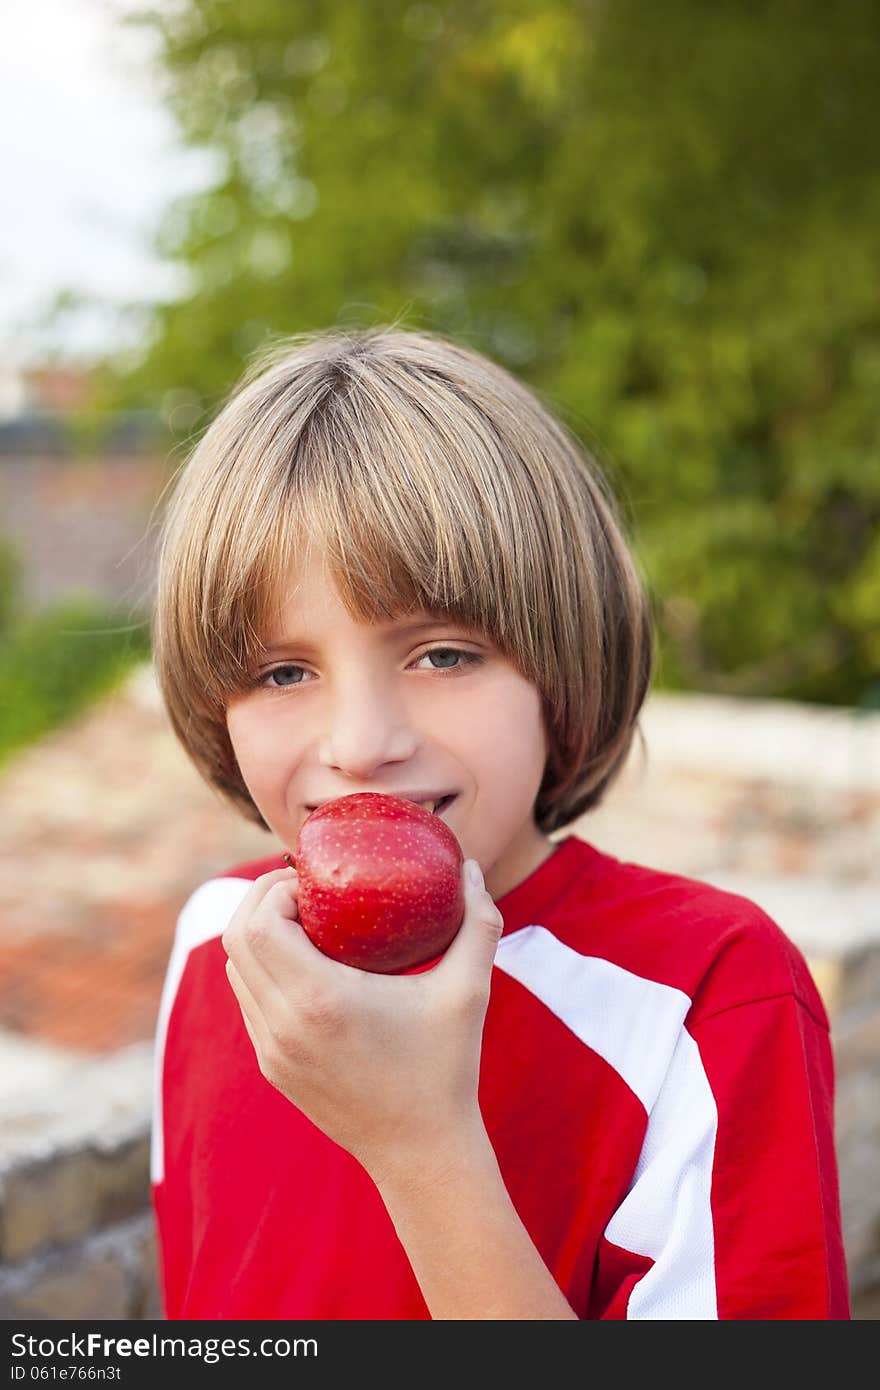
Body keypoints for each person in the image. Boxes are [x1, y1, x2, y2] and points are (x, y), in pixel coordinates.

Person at [149, 325, 850, 1320]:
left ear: (557, 665)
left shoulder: (707, 997)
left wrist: (420, 1143)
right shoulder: (218, 940)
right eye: (282, 671)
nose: (362, 743)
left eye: (440, 653)